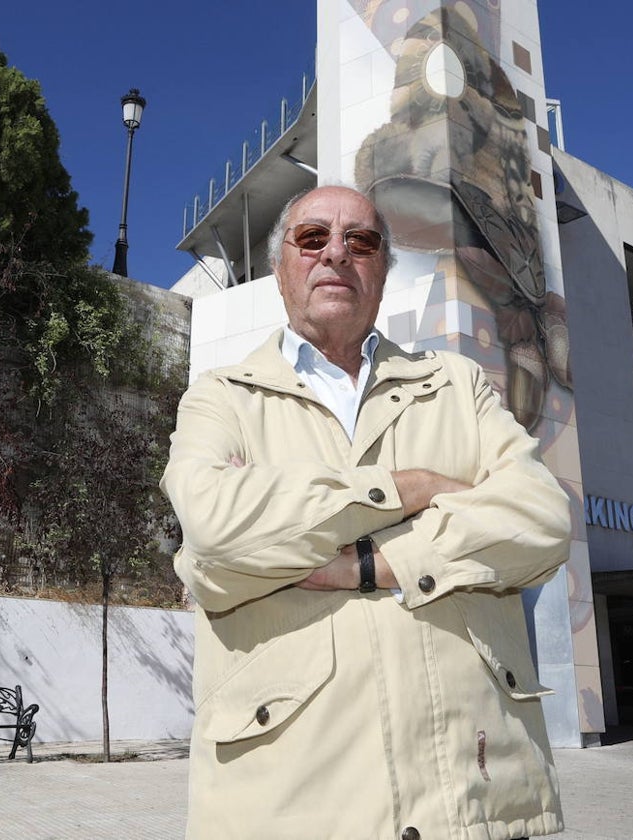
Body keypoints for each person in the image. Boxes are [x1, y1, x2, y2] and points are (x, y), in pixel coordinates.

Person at [162, 185, 570, 840]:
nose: (337, 254)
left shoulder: (456, 386)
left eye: (361, 241)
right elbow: (215, 537)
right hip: (293, 813)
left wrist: (371, 562)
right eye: (312, 237)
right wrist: (408, 488)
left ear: (380, 267)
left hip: (474, 809)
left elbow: (542, 519)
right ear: (281, 267)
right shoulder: (221, 398)